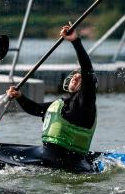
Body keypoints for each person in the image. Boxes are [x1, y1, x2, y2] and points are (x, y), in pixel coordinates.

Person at [6, 24, 97, 171]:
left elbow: (87, 69)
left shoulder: (86, 102)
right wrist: (20, 96)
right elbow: (35, 109)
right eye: (74, 74)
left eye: (80, 77)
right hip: (51, 159)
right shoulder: (61, 104)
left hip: (71, 164)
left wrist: (75, 41)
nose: (76, 76)